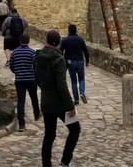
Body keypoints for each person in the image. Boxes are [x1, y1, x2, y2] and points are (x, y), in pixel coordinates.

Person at [34, 29, 81, 167]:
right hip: (60, 103)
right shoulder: (59, 59)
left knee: (49, 135)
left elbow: (37, 79)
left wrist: (45, 91)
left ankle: (46, 164)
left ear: (47, 40)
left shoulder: (37, 57)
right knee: (75, 129)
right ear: (59, 42)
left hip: (46, 102)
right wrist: (70, 106)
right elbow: (62, 85)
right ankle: (65, 162)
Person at [9, 32, 41, 131]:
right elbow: (36, 66)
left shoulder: (14, 52)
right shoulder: (32, 52)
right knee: (34, 98)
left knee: (21, 101)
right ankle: (37, 115)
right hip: (31, 79)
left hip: (19, 80)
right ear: (28, 41)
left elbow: (11, 66)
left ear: (20, 41)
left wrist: (17, 72)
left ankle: (22, 124)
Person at [60, 24, 90, 105]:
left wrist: (63, 62)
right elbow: (86, 51)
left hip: (70, 62)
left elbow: (60, 51)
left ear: (69, 30)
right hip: (80, 61)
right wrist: (87, 61)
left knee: (73, 81)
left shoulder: (65, 40)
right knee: (81, 79)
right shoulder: (80, 39)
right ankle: (82, 92)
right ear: (76, 30)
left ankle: (76, 100)